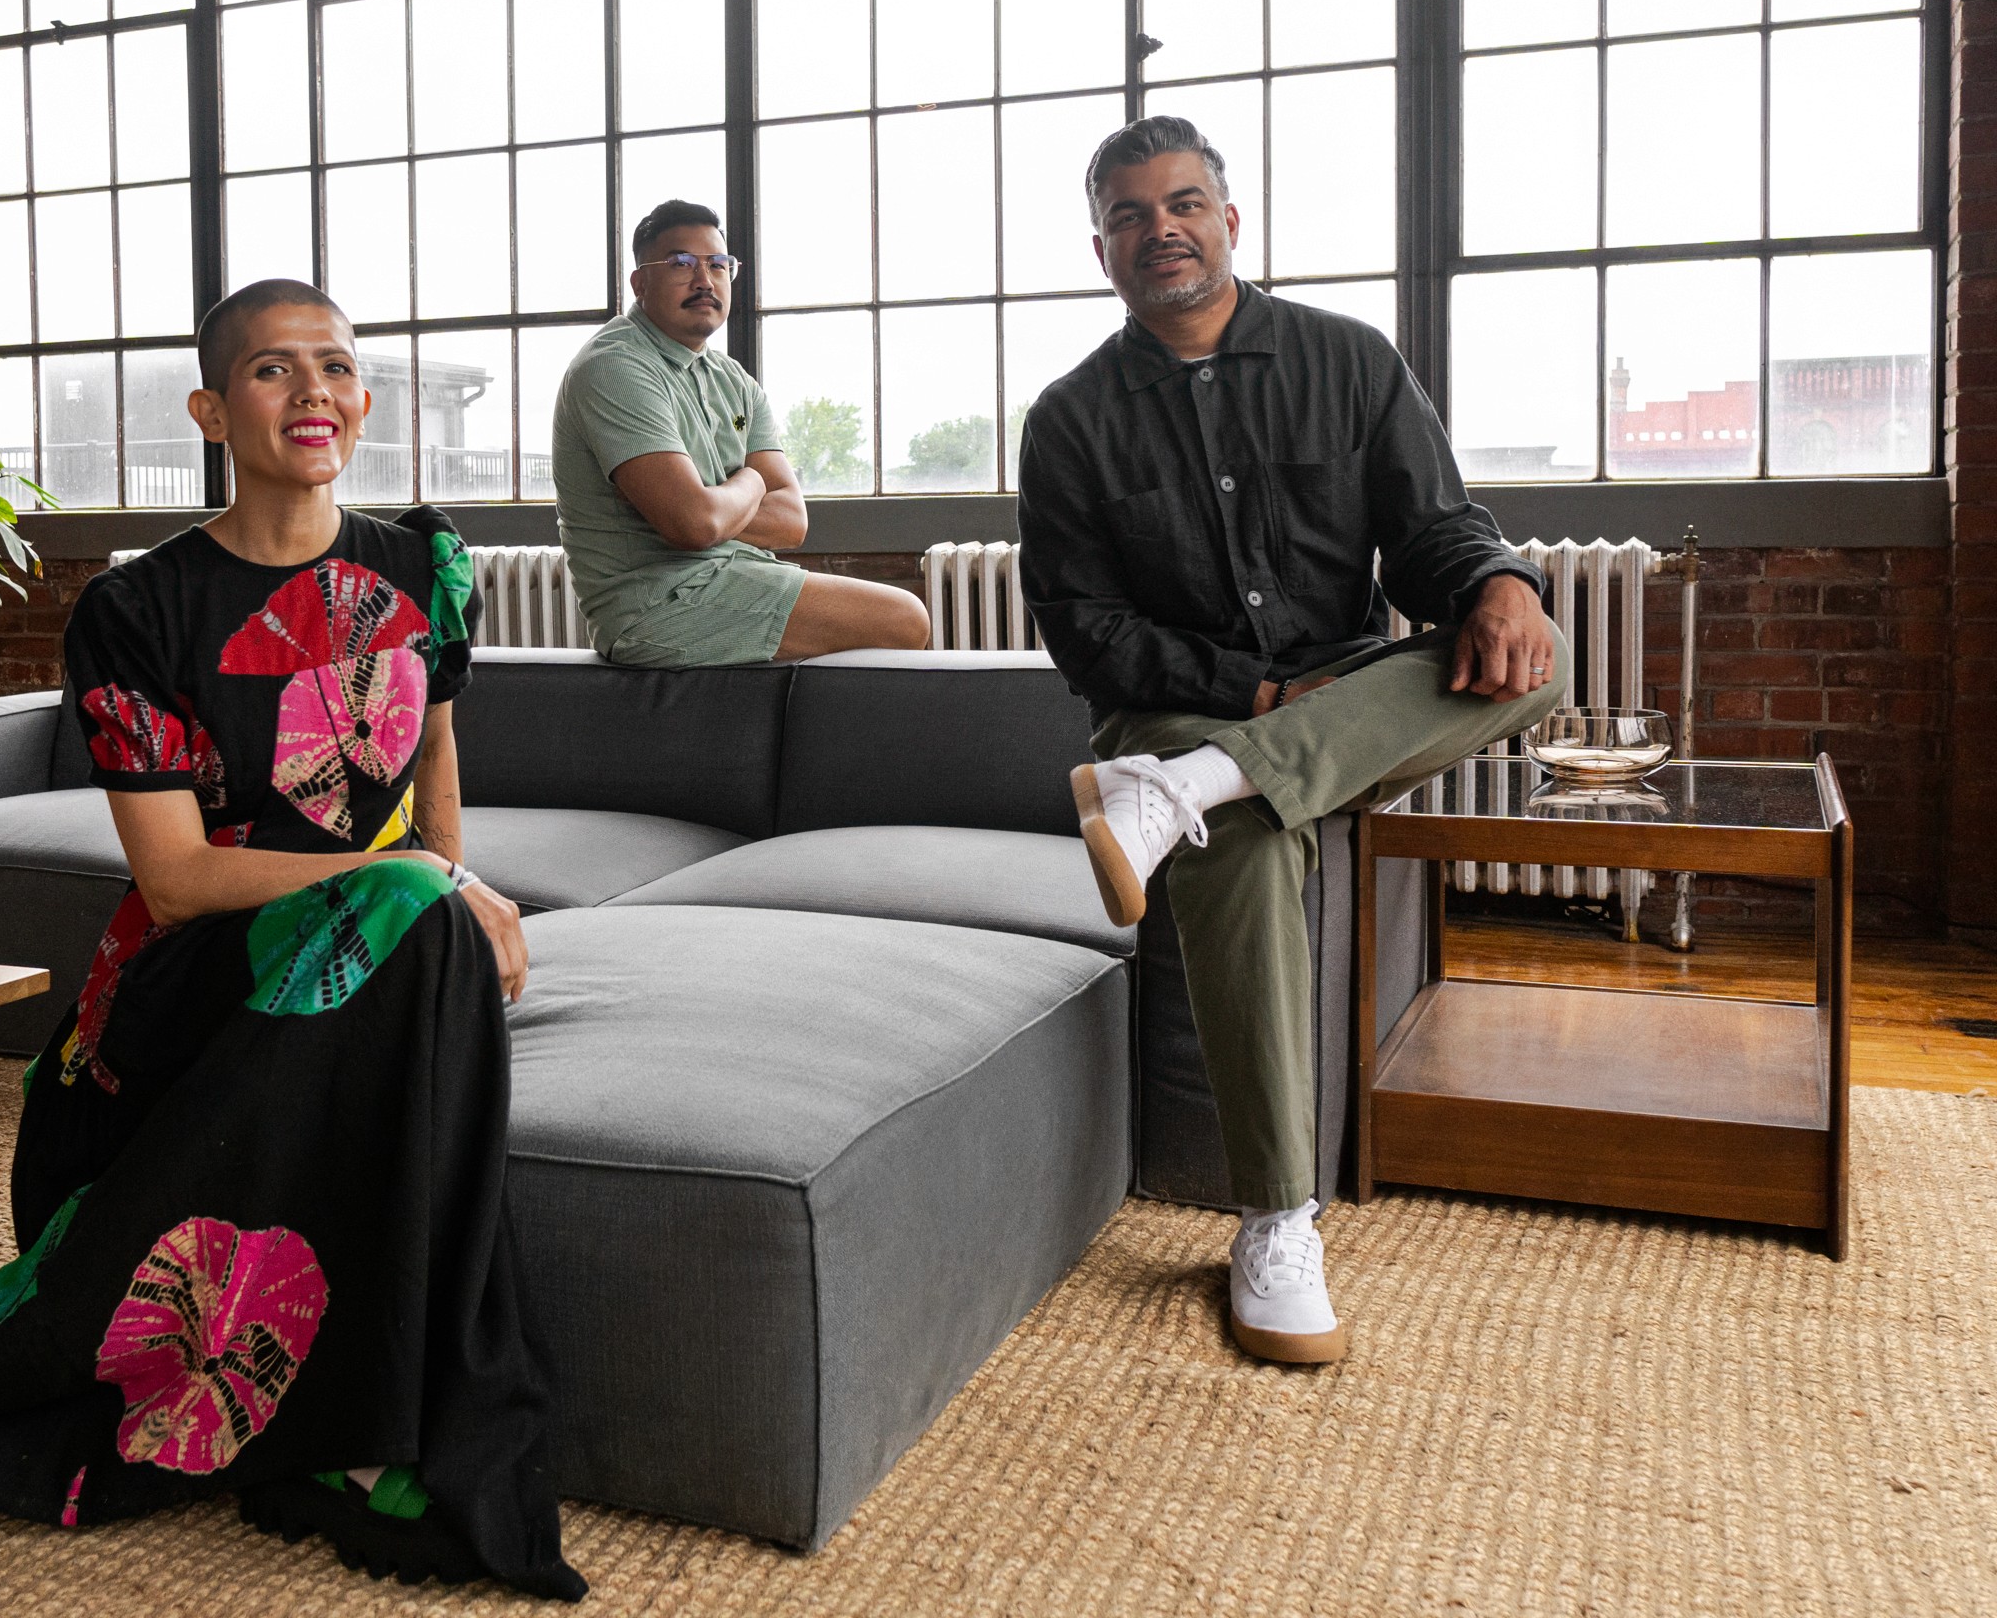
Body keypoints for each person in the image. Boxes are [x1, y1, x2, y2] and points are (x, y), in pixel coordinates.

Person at [0, 278, 587, 1601]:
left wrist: (438, 895)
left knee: (420, 928)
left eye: (337, 364)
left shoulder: (422, 570)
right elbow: (174, 880)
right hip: (190, 986)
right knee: (415, 908)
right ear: (212, 410)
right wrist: (423, 881)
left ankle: (352, 1423)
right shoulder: (139, 608)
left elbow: (434, 770)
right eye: (273, 369)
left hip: (378, 950)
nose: (315, 390)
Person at [1017, 117, 1569, 1370]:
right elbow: (1090, 635)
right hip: (1175, 708)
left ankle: (1184, 794)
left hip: (1342, 688)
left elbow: (1433, 534)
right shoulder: (1068, 421)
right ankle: (1277, 1218)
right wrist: (1252, 697)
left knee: (1538, 656)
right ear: (1101, 248)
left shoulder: (1350, 359)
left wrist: (1498, 579)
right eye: (1128, 214)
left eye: (1183, 203)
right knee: (1246, 842)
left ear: (1229, 221)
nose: (1160, 228)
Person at [551, 198, 927, 666]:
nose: (704, 280)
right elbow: (694, 524)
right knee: (904, 619)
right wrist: (750, 481)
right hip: (655, 607)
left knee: (873, 632)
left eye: (718, 265)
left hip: (734, 577)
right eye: (681, 263)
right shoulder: (615, 366)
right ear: (640, 283)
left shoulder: (733, 379)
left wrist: (711, 507)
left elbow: (791, 520)